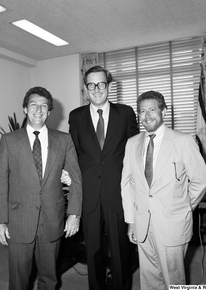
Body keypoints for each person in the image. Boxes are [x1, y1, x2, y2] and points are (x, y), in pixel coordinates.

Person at [0, 86, 82, 290]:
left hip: (52, 220)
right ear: (25, 109)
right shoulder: (9, 141)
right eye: (33, 105)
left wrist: (74, 214)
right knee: (19, 280)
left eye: (44, 106)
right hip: (18, 222)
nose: (38, 110)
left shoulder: (64, 140)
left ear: (49, 111)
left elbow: (76, 180)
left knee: (49, 278)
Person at [121, 90, 206, 289]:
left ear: (163, 111)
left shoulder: (183, 141)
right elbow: (126, 184)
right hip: (143, 223)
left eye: (152, 110)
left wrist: (183, 206)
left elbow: (202, 180)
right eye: (142, 111)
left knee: (174, 279)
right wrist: (131, 221)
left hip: (172, 224)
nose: (146, 116)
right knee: (149, 277)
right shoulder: (132, 143)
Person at [69, 65, 139, 290]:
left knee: (120, 250)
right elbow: (75, 154)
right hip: (89, 193)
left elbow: (135, 151)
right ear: (85, 88)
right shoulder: (76, 116)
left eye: (101, 84)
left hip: (117, 192)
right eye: (91, 85)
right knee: (93, 250)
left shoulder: (125, 113)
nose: (97, 89)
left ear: (109, 86)